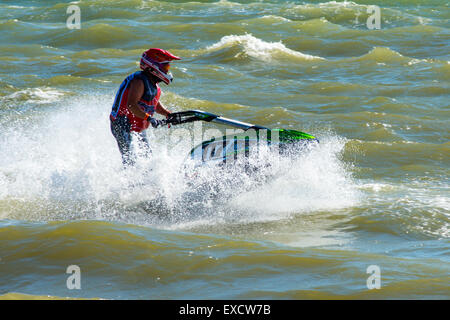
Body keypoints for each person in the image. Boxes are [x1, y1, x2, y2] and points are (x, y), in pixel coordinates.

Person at [110, 48, 180, 166]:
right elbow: (131, 105)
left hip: (138, 126)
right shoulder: (139, 81)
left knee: (147, 158)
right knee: (130, 160)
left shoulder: (154, 86)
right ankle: (127, 182)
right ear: (153, 66)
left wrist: (167, 113)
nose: (168, 71)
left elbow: (154, 103)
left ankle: (146, 182)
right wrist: (150, 118)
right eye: (166, 67)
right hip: (122, 124)